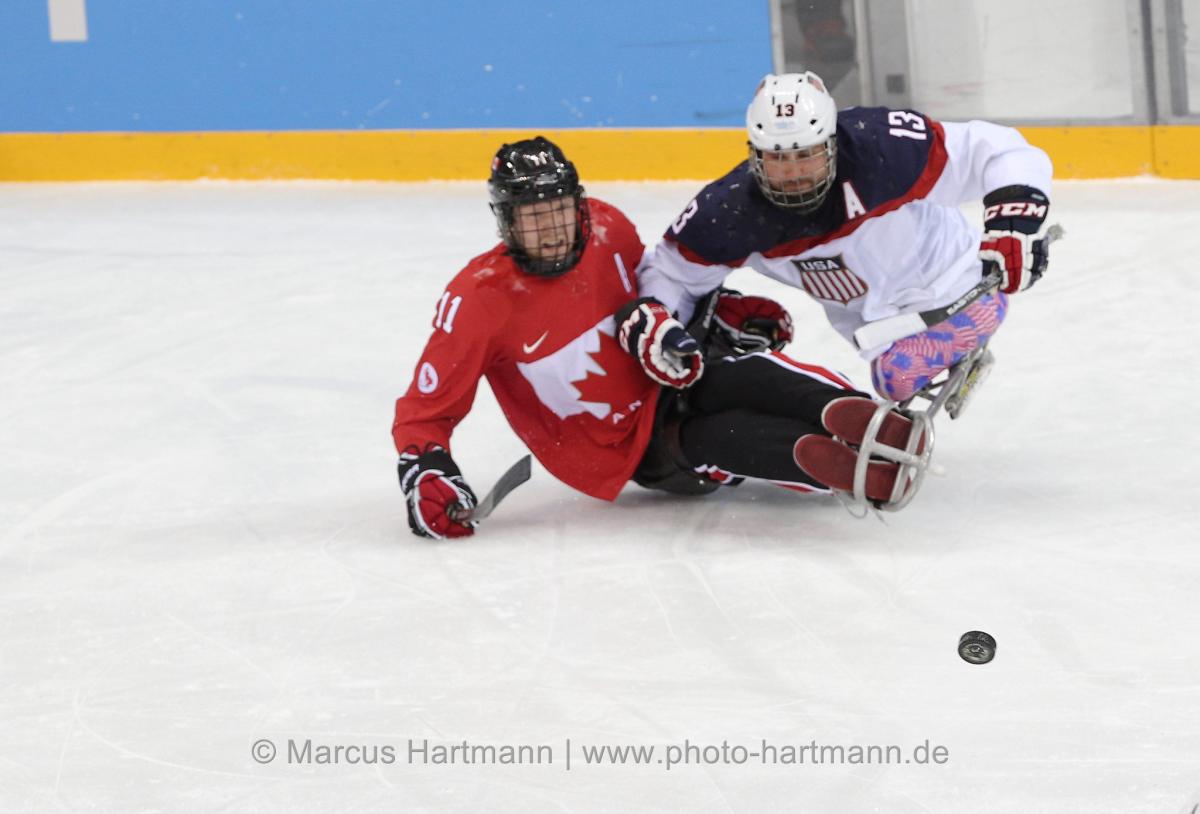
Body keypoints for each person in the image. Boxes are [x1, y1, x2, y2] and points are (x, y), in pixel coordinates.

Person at [390, 136, 918, 539]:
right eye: (532, 219)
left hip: (668, 370)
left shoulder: (607, 228)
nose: (550, 231)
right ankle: (848, 468)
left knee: (743, 373)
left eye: (558, 213)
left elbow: (652, 290)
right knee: (719, 438)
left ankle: (869, 421)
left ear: (579, 204)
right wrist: (427, 472)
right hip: (627, 448)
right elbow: (424, 409)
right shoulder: (478, 300)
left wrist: (725, 309)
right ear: (505, 222)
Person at [636, 71, 1055, 404]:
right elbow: (672, 275)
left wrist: (1014, 220)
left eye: (807, 154)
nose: (795, 172)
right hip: (879, 331)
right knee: (892, 380)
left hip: (955, 276)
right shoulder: (731, 213)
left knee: (897, 379)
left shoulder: (880, 146)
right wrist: (657, 321)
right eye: (779, 159)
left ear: (832, 144)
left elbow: (1001, 150)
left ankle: (980, 312)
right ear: (755, 155)